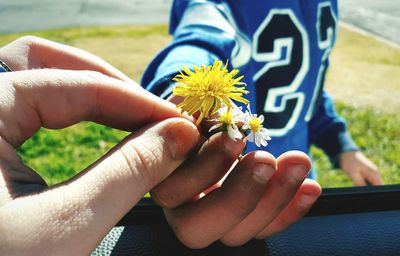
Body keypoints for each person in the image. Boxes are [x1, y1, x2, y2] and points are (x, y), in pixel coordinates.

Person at [0, 36, 321, 255]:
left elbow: (315, 86)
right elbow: (197, 41)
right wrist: (170, 90)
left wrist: (341, 143)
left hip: (281, 181)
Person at [141, 0, 384, 186]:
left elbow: (306, 87)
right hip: (232, 183)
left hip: (300, 179)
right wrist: (179, 88)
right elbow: (198, 41)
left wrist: (341, 145)